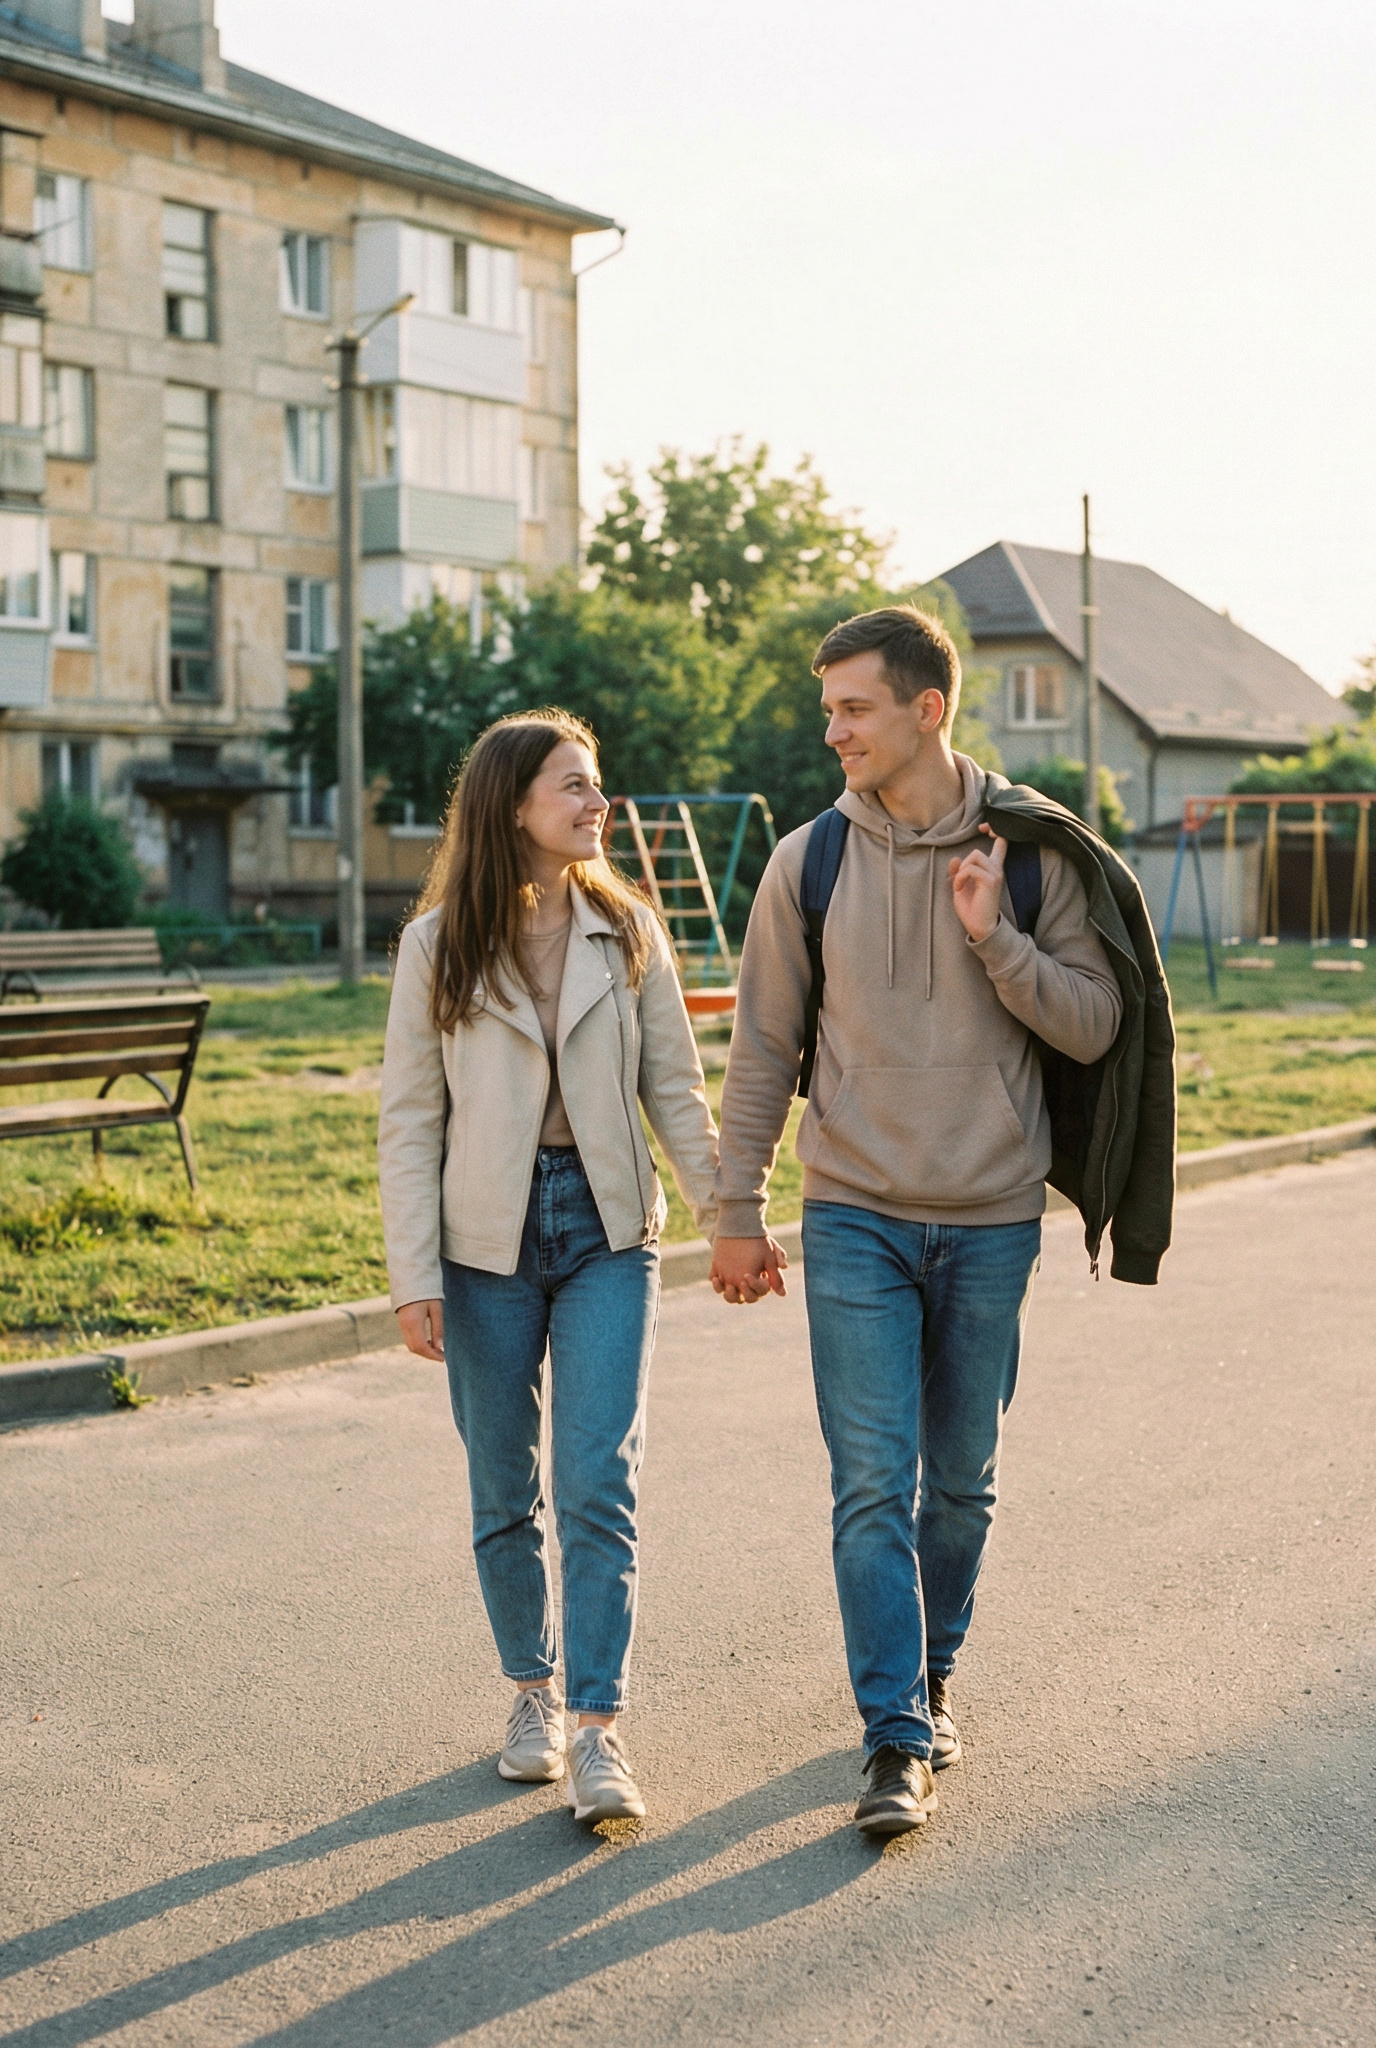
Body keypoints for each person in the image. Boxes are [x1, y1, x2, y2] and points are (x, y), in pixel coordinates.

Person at [709, 607, 1125, 1840]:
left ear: (925, 708)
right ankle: (893, 1733)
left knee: (960, 1486)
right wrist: (736, 1206)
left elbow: (1093, 1025)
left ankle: (933, 1674)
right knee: (870, 1484)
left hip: (991, 1218)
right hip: (854, 1214)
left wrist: (994, 936)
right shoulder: (806, 863)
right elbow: (762, 1047)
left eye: (853, 707)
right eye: (828, 708)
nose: (831, 730)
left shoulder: (1035, 853)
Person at [380, 709, 720, 1825]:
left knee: (596, 1482)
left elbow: (675, 1089)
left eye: (596, 782)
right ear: (512, 804)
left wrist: (732, 1215)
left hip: (607, 1232)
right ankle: (531, 1695)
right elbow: (409, 1122)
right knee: (501, 1485)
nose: (596, 802)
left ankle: (599, 1727)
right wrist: (413, 1275)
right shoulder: (437, 946)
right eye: (573, 785)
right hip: (483, 1243)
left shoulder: (626, 929)